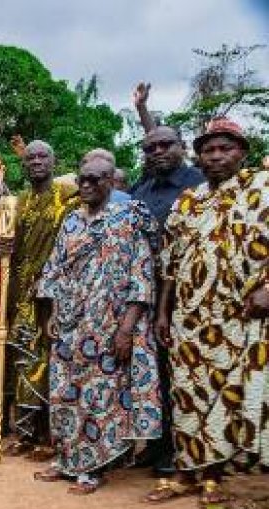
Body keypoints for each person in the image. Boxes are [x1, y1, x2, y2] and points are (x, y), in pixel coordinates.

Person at [147, 118, 268, 505]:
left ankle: (214, 476)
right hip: (190, 319)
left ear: (242, 152)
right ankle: (187, 472)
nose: (216, 157)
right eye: (208, 150)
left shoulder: (261, 191)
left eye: (224, 149)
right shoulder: (189, 201)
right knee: (186, 396)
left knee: (226, 396)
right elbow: (170, 263)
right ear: (198, 156)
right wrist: (163, 312)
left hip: (239, 317)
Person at [32, 158, 162, 494]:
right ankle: (67, 459)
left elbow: (142, 274)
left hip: (109, 325)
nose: (86, 185)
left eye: (94, 179)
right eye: (82, 179)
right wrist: (52, 314)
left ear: (110, 181)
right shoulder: (72, 221)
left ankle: (94, 467)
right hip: (71, 322)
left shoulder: (130, 217)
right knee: (64, 392)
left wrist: (126, 329)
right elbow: (55, 269)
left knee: (101, 397)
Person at [127, 125, 206, 477]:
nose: (157, 152)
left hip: (191, 291)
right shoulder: (141, 189)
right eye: (150, 148)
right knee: (154, 370)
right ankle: (157, 445)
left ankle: (185, 449)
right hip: (147, 292)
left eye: (165, 145)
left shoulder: (200, 184)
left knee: (185, 371)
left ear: (182, 146)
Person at [3, 140, 81, 460]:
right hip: (22, 295)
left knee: (52, 364)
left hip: (55, 295)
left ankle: (50, 436)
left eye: (43, 156)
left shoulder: (68, 200)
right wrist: (3, 249)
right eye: (31, 157)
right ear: (24, 164)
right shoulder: (16, 203)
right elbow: (10, 246)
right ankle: (25, 432)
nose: (36, 161)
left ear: (54, 161)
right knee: (23, 362)